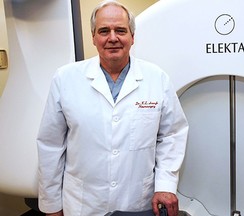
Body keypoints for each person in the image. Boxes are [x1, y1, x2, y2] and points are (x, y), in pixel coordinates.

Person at [37, 1, 188, 216]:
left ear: (132, 36)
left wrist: (165, 185)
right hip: (83, 204)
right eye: (104, 31)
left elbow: (172, 135)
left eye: (120, 30)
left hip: (136, 201)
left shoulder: (157, 78)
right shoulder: (65, 78)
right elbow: (50, 146)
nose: (113, 38)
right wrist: (51, 206)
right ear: (93, 37)